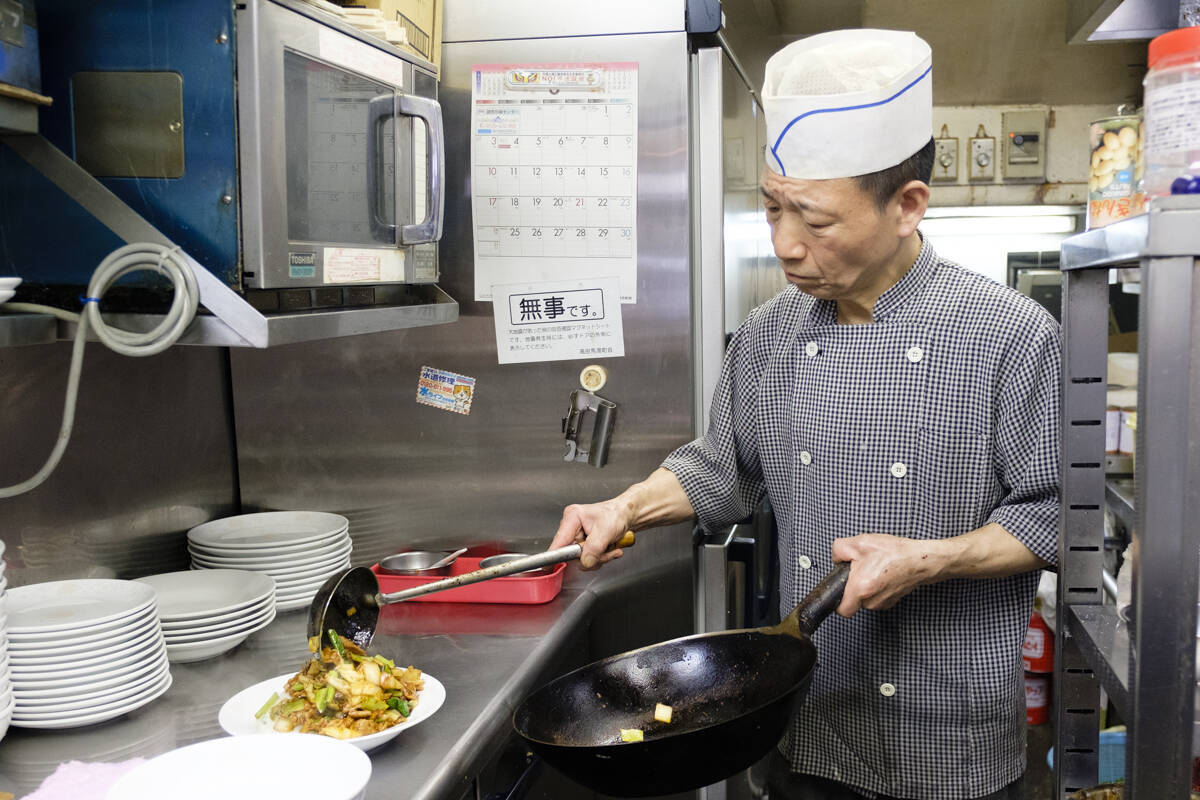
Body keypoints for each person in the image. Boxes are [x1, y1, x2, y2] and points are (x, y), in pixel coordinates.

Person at [549, 28, 1060, 800]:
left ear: (907, 206)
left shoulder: (1008, 334)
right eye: (772, 208)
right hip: (804, 715)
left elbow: (1051, 515)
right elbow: (719, 470)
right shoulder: (769, 332)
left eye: (815, 221)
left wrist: (929, 559)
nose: (786, 245)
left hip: (947, 732)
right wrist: (621, 506)